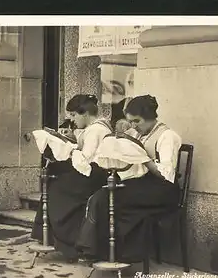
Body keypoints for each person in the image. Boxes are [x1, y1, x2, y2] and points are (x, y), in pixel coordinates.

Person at [76, 94, 182, 263]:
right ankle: (101, 251)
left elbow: (166, 175)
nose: (133, 126)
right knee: (102, 196)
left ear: (150, 117)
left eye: (137, 121)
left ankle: (107, 252)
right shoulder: (136, 133)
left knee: (108, 198)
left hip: (163, 190)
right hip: (141, 184)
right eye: (130, 121)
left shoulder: (168, 136)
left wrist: (144, 159)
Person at [31, 94, 113, 262]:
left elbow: (86, 159)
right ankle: (47, 234)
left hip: (95, 176)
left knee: (55, 187)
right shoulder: (95, 127)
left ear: (85, 113)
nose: (73, 120)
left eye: (74, 115)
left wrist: (68, 148)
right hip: (93, 172)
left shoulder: (96, 130)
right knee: (54, 174)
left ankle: (67, 240)